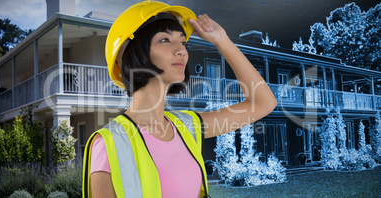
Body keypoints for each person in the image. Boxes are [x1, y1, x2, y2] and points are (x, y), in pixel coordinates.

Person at [82, 1, 278, 198]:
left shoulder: (186, 127)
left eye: (183, 42)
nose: (181, 50)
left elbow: (263, 103)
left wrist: (222, 41)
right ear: (132, 53)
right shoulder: (110, 144)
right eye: (165, 40)